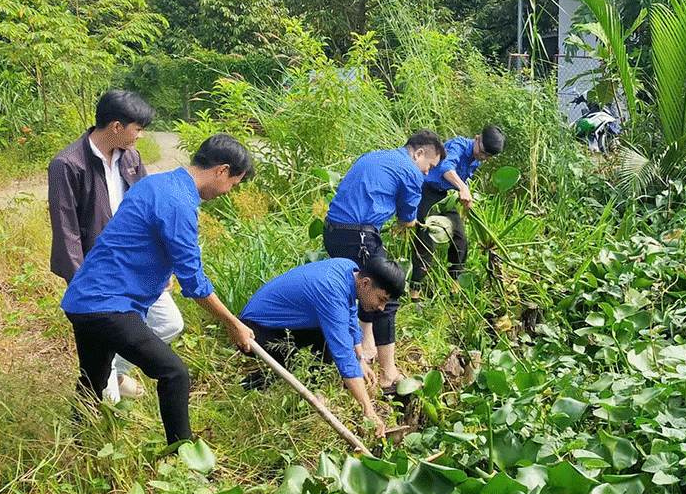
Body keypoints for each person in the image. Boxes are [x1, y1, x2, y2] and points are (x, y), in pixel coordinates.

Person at [60, 134, 256, 446]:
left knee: (93, 382)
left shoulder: (156, 184)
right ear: (221, 170)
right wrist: (233, 323)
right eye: (234, 182)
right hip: (108, 304)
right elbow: (194, 282)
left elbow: (133, 237)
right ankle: (182, 455)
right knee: (174, 374)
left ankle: (76, 446)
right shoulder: (179, 203)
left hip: (84, 299)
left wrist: (160, 268)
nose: (229, 191)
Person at [48, 90, 183, 403]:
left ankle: (116, 370)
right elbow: (66, 231)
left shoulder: (131, 158)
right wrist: (82, 286)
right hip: (98, 279)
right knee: (105, 394)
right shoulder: (67, 164)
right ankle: (105, 396)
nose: (140, 135)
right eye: (137, 128)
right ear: (116, 126)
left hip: (134, 268)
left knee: (169, 323)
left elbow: (152, 212)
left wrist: (162, 266)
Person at [322, 130, 445, 388]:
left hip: (333, 233)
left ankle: (365, 346)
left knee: (361, 289)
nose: (427, 173)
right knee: (385, 295)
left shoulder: (376, 155)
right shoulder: (410, 171)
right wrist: (409, 222)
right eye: (429, 166)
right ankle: (388, 374)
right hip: (358, 237)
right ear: (419, 153)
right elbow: (407, 218)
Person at [238, 256, 408, 436]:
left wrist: (361, 359)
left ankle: (308, 386)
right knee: (331, 343)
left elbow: (350, 315)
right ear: (366, 283)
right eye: (381, 299)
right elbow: (344, 356)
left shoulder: (350, 270)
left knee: (329, 341)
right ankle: (259, 384)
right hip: (255, 332)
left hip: (286, 324)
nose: (382, 308)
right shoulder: (332, 292)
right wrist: (368, 410)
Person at [410, 125, 505, 297]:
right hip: (426, 190)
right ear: (477, 138)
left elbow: (464, 179)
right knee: (426, 240)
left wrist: (466, 202)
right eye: (482, 151)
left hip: (445, 196)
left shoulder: (476, 159)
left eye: (487, 156)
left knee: (460, 239)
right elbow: (447, 167)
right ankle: (414, 293)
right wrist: (462, 187)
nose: (481, 157)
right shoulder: (459, 145)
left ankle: (455, 287)